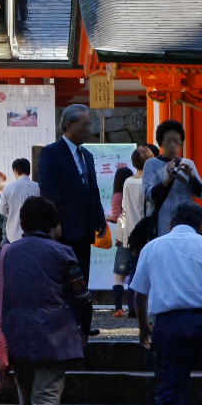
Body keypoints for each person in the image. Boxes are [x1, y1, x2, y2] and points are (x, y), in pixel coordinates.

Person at [0, 196, 92, 405]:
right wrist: (83, 329)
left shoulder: (4, 254)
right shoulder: (63, 253)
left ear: (22, 223)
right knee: (46, 400)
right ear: (55, 225)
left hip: (15, 336)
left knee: (29, 404)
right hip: (55, 337)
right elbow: (82, 297)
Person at [131, 201, 202, 405]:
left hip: (168, 326)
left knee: (170, 393)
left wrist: (143, 327)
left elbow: (139, 295)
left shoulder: (152, 247)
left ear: (171, 223)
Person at [37, 104, 106, 285]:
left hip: (85, 228)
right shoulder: (51, 153)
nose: (89, 130)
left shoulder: (87, 155)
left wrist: (99, 219)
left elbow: (93, 190)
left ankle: (82, 312)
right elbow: (49, 192)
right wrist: (54, 223)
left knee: (82, 279)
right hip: (63, 230)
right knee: (63, 280)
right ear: (69, 126)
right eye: (85, 125)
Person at [142, 119, 202, 237]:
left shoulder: (188, 163)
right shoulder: (151, 164)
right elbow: (148, 195)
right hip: (160, 224)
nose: (172, 145)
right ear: (160, 142)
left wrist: (191, 176)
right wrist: (167, 179)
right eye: (168, 141)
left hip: (185, 224)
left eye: (176, 141)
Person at [115, 146, 154, 318]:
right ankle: (146, 306)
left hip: (131, 231)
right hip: (147, 230)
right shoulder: (151, 181)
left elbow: (124, 207)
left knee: (134, 270)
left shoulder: (128, 182)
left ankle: (132, 305)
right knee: (149, 270)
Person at [107, 165, 133, 317]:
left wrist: (109, 218)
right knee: (136, 274)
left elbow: (117, 217)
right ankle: (135, 307)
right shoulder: (136, 192)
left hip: (123, 238)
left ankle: (118, 308)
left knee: (119, 276)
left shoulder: (118, 196)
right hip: (139, 236)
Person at [0, 157, 41, 244]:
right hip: (35, 233)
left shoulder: (8, 188)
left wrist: (13, 213)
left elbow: (2, 209)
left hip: (13, 234)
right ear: (29, 171)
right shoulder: (38, 187)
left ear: (15, 171)